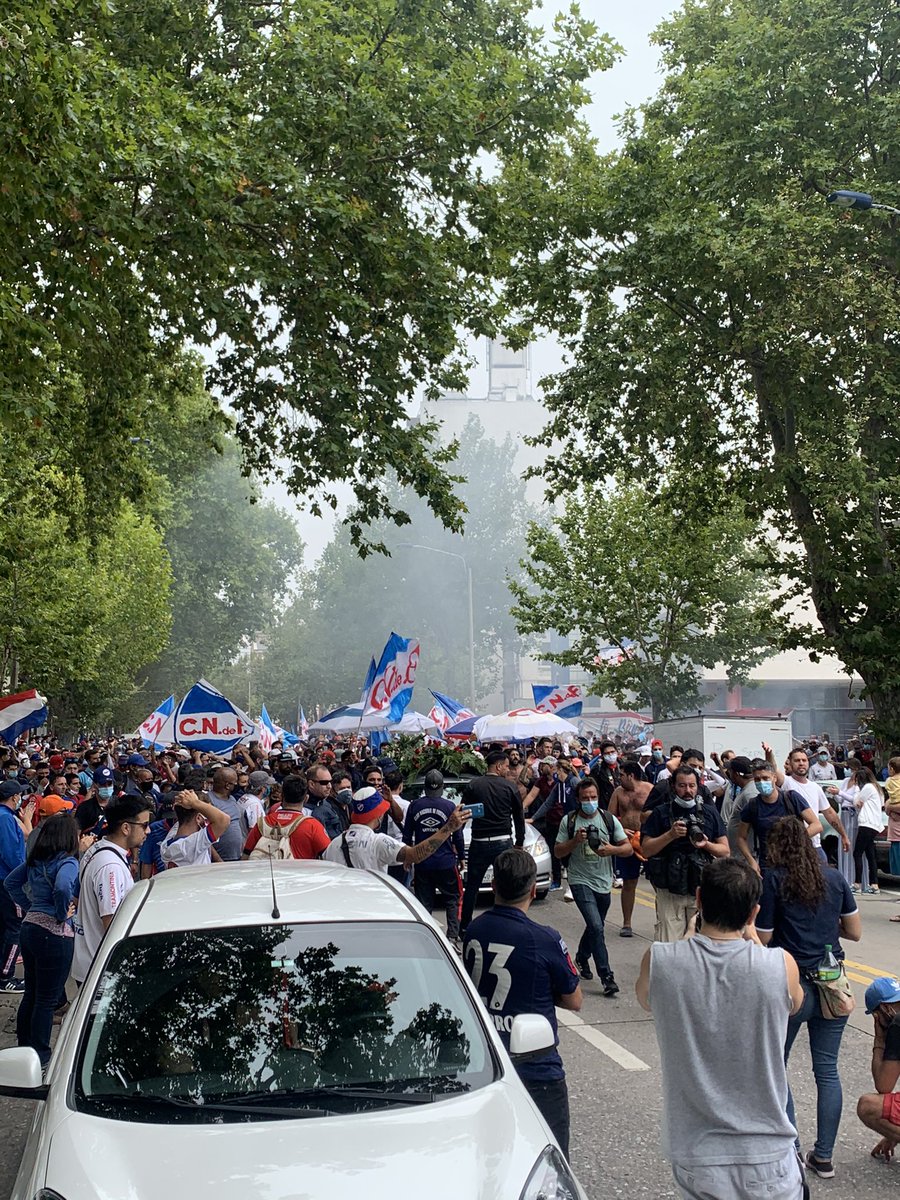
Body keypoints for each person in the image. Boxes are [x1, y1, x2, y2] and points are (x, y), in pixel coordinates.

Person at [636, 857, 805, 1200]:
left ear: (698, 899)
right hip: (769, 1156)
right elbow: (795, 1003)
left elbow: (645, 999)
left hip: (699, 1158)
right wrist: (754, 937)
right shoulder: (780, 966)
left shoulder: (661, 961)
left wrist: (686, 937)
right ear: (753, 912)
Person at [756, 816, 862, 1181]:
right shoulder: (835, 878)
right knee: (827, 1070)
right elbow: (855, 931)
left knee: (776, 1067)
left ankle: (792, 1149)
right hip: (833, 983)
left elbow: (765, 936)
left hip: (791, 985)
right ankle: (825, 1156)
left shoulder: (773, 880)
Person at [463, 848, 581, 1159]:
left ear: (496, 886)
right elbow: (574, 999)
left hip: (486, 1059)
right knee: (550, 1157)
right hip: (536, 1068)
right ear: (532, 889)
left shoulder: (475, 929)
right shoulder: (544, 938)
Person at [3, 813, 78, 1067]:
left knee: (32, 993)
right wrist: (59, 912)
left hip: (30, 926)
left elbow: (11, 882)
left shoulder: (36, 861)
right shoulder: (67, 862)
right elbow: (63, 888)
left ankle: (24, 1048)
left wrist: (31, 906)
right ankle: (41, 1056)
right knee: (47, 999)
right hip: (54, 933)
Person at [555, 777, 632, 996]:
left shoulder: (608, 820)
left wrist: (612, 851)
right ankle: (607, 977)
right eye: (585, 798)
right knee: (597, 927)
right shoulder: (569, 822)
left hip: (603, 882)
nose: (589, 801)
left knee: (594, 925)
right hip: (580, 879)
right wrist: (575, 842)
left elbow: (627, 849)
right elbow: (558, 851)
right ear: (578, 800)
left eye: (593, 797)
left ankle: (581, 957)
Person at [640, 764, 729, 941]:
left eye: (692, 785)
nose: (687, 790)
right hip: (670, 889)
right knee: (669, 944)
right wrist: (670, 835)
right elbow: (646, 850)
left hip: (700, 888)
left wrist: (705, 845)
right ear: (673, 787)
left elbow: (725, 851)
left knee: (702, 943)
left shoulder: (709, 813)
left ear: (698, 786)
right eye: (682, 785)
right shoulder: (661, 812)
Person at [71, 797, 152, 985]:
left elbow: (77, 897)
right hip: (101, 971)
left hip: (90, 962)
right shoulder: (110, 866)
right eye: (144, 825)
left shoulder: (97, 849)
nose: (148, 831)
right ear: (126, 828)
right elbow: (112, 923)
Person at [324, 787, 469, 873]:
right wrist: (448, 828)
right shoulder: (378, 842)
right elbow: (415, 855)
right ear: (379, 814)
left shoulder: (333, 844)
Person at [459, 751, 525, 931]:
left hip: (479, 842)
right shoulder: (509, 787)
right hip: (503, 842)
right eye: (505, 766)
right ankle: (507, 925)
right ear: (498, 766)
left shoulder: (474, 785)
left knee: (472, 886)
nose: (507, 769)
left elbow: (462, 813)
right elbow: (519, 817)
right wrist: (519, 841)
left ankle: (465, 926)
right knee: (506, 885)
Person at [403, 769, 466, 949]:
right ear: (442, 787)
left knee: (425, 902)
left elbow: (407, 835)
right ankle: (452, 937)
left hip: (422, 862)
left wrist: (407, 858)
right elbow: (458, 835)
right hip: (446, 862)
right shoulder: (449, 807)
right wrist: (461, 857)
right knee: (452, 899)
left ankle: (426, 938)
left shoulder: (414, 806)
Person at [735, 761, 822, 876]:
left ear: (774, 778)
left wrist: (795, 839)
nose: (762, 782)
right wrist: (751, 861)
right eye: (757, 779)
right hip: (768, 864)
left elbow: (816, 825)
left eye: (765, 778)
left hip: (795, 860)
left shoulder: (791, 798)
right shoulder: (752, 806)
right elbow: (741, 837)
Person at [856, 976, 900, 1161]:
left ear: (882, 1010)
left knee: (867, 1106)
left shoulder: (897, 1023)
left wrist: (880, 1038)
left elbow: (884, 1085)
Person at [783, 748, 850, 865]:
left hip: (815, 846)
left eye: (804, 760)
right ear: (790, 763)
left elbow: (829, 813)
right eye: (797, 760)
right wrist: (769, 754)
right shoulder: (786, 783)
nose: (801, 763)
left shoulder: (815, 788)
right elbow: (772, 771)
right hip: (794, 847)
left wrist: (843, 835)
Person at [608, 763, 652, 937]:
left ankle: (661, 919)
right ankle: (627, 923)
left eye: (622, 774)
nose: (619, 777)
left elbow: (658, 812)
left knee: (656, 881)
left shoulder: (649, 789)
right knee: (628, 882)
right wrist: (620, 828)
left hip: (646, 840)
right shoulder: (618, 792)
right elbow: (610, 816)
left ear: (631, 775)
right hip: (626, 842)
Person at [242, 774, 330, 860]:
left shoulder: (262, 823)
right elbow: (329, 856)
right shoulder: (313, 826)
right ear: (306, 799)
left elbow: (245, 857)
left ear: (281, 796)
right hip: (301, 874)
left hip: (268, 874)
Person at [0, 780, 33, 993]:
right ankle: (5, 976)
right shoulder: (4, 819)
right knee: (15, 927)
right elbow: (12, 854)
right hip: (7, 881)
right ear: (14, 798)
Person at [161, 790, 232, 867]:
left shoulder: (168, 841)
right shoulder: (189, 846)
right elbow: (223, 820)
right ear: (198, 818)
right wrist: (194, 803)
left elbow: (184, 814)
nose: (210, 820)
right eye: (208, 816)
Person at [852, 765, 884, 894]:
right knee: (871, 855)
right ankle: (874, 884)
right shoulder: (877, 788)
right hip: (875, 824)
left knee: (857, 853)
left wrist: (855, 789)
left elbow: (857, 802)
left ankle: (857, 884)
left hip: (866, 823)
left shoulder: (867, 787)